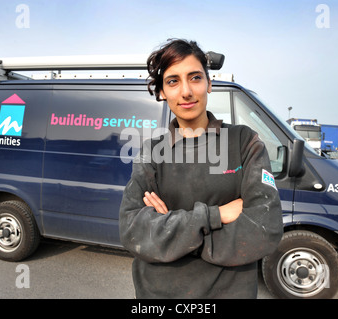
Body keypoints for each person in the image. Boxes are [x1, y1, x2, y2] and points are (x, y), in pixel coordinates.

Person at [119, 39, 283, 298]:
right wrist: (215, 216)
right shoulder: (152, 152)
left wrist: (170, 231)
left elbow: (265, 229)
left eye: (195, 78)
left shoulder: (243, 142)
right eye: (173, 81)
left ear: (209, 84)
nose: (186, 91)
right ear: (162, 92)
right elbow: (134, 231)